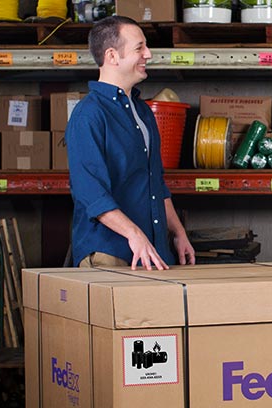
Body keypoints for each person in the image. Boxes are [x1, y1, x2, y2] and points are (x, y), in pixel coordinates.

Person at [67, 16, 194, 270]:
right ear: (113, 56)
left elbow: (155, 183)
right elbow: (91, 194)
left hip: (151, 251)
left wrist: (178, 232)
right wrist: (134, 235)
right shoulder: (88, 115)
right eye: (139, 48)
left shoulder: (143, 112)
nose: (148, 54)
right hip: (109, 252)